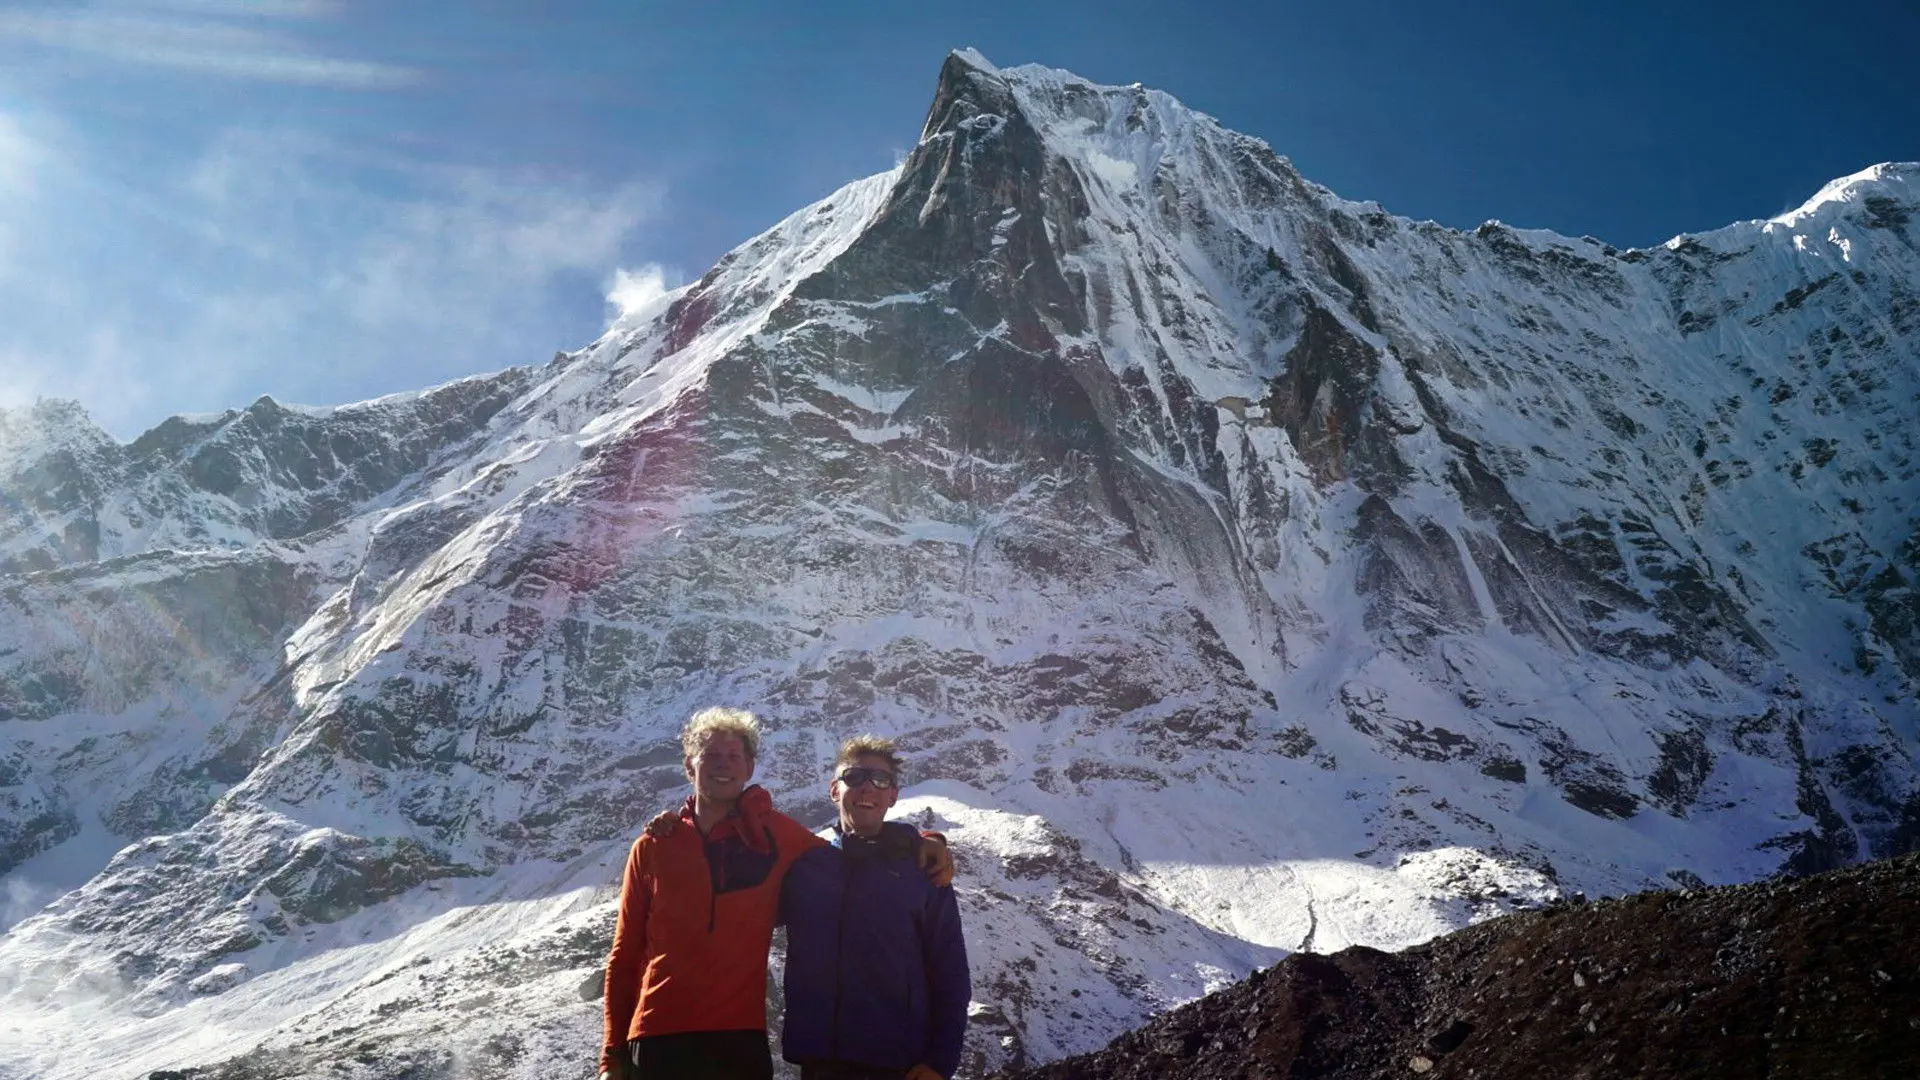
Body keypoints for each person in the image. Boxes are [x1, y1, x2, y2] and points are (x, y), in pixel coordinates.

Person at [599, 709, 952, 1080]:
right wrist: (611, 1056)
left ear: (749, 768)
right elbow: (624, 955)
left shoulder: (777, 837)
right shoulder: (653, 846)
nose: (723, 765)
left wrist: (924, 840)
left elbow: (847, 851)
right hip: (657, 1038)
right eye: (711, 755)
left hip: (740, 1044)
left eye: (733, 756)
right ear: (690, 765)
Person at [778, 736, 970, 1080]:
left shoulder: (922, 867)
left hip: (900, 1065)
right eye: (853, 776)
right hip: (819, 1062)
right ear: (834, 789)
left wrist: (941, 1061)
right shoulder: (803, 864)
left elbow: (950, 970)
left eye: (880, 780)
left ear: (893, 796)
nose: (867, 787)